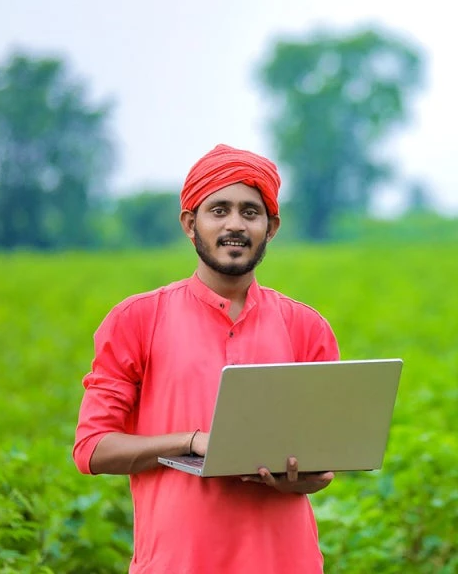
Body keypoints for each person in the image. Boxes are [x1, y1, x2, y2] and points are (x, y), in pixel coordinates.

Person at [72, 144, 340, 573]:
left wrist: (302, 477)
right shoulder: (138, 319)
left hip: (287, 562)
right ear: (189, 223)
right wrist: (193, 443)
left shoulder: (306, 327)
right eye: (219, 210)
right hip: (177, 563)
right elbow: (92, 448)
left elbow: (325, 465)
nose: (235, 224)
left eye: (250, 213)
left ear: (271, 227)